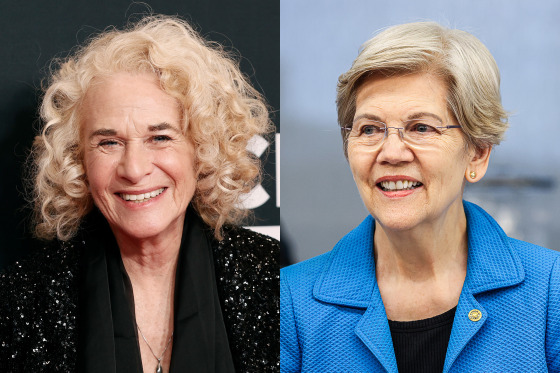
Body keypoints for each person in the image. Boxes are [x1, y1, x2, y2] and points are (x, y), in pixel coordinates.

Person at [0, 15, 279, 373]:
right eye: (109, 142)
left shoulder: (275, 279)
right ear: (78, 158)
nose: (134, 169)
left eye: (159, 137)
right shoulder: (20, 300)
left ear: (203, 149)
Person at [280, 21, 560, 372]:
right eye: (370, 129)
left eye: (421, 128)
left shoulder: (551, 290)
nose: (391, 152)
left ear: (477, 154)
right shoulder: (289, 301)